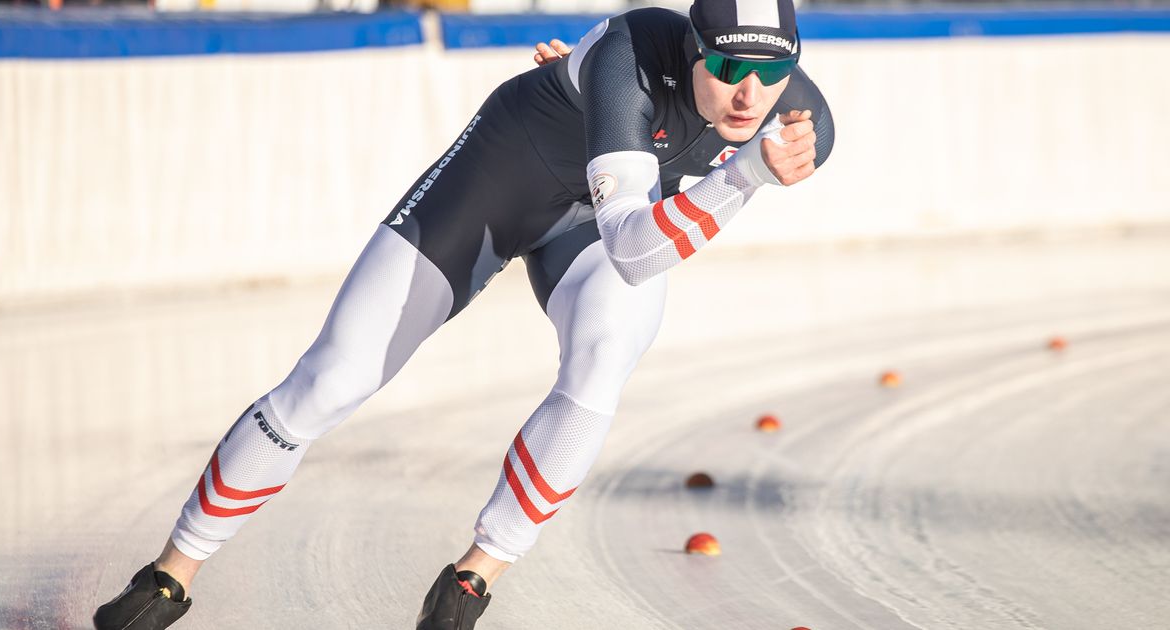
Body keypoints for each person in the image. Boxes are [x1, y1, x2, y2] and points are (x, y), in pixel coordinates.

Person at [93, 0, 834, 628]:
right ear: (692, 50)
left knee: (603, 365)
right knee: (332, 379)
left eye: (772, 73)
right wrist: (747, 174)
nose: (750, 95)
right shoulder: (632, 52)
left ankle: (474, 578)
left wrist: (743, 162)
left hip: (593, 221)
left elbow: (635, 245)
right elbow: (638, 251)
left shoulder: (803, 118)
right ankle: (172, 571)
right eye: (731, 69)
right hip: (499, 180)